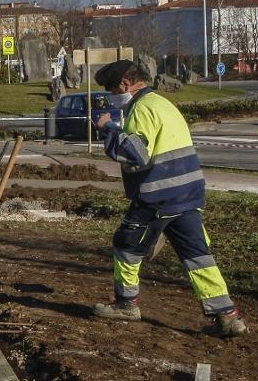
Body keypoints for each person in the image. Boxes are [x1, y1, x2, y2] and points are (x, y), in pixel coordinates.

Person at [90, 60, 247, 338]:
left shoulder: (141, 108)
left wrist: (108, 129)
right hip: (186, 193)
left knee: (126, 246)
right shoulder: (163, 103)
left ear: (124, 84)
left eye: (112, 89)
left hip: (157, 196)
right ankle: (227, 316)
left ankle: (127, 304)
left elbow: (136, 154)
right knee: (198, 255)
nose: (111, 95)